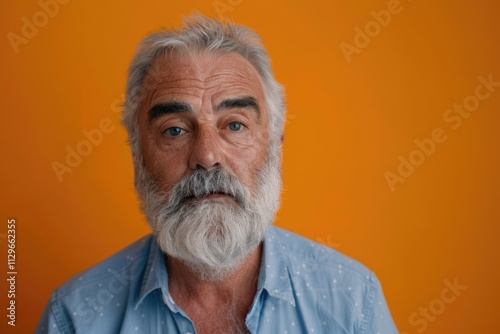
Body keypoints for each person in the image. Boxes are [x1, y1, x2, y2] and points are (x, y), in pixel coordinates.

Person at [37, 15, 399, 334]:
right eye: (175, 129)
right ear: (138, 156)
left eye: (235, 125)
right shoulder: (75, 318)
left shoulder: (353, 304)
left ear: (276, 147)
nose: (207, 156)